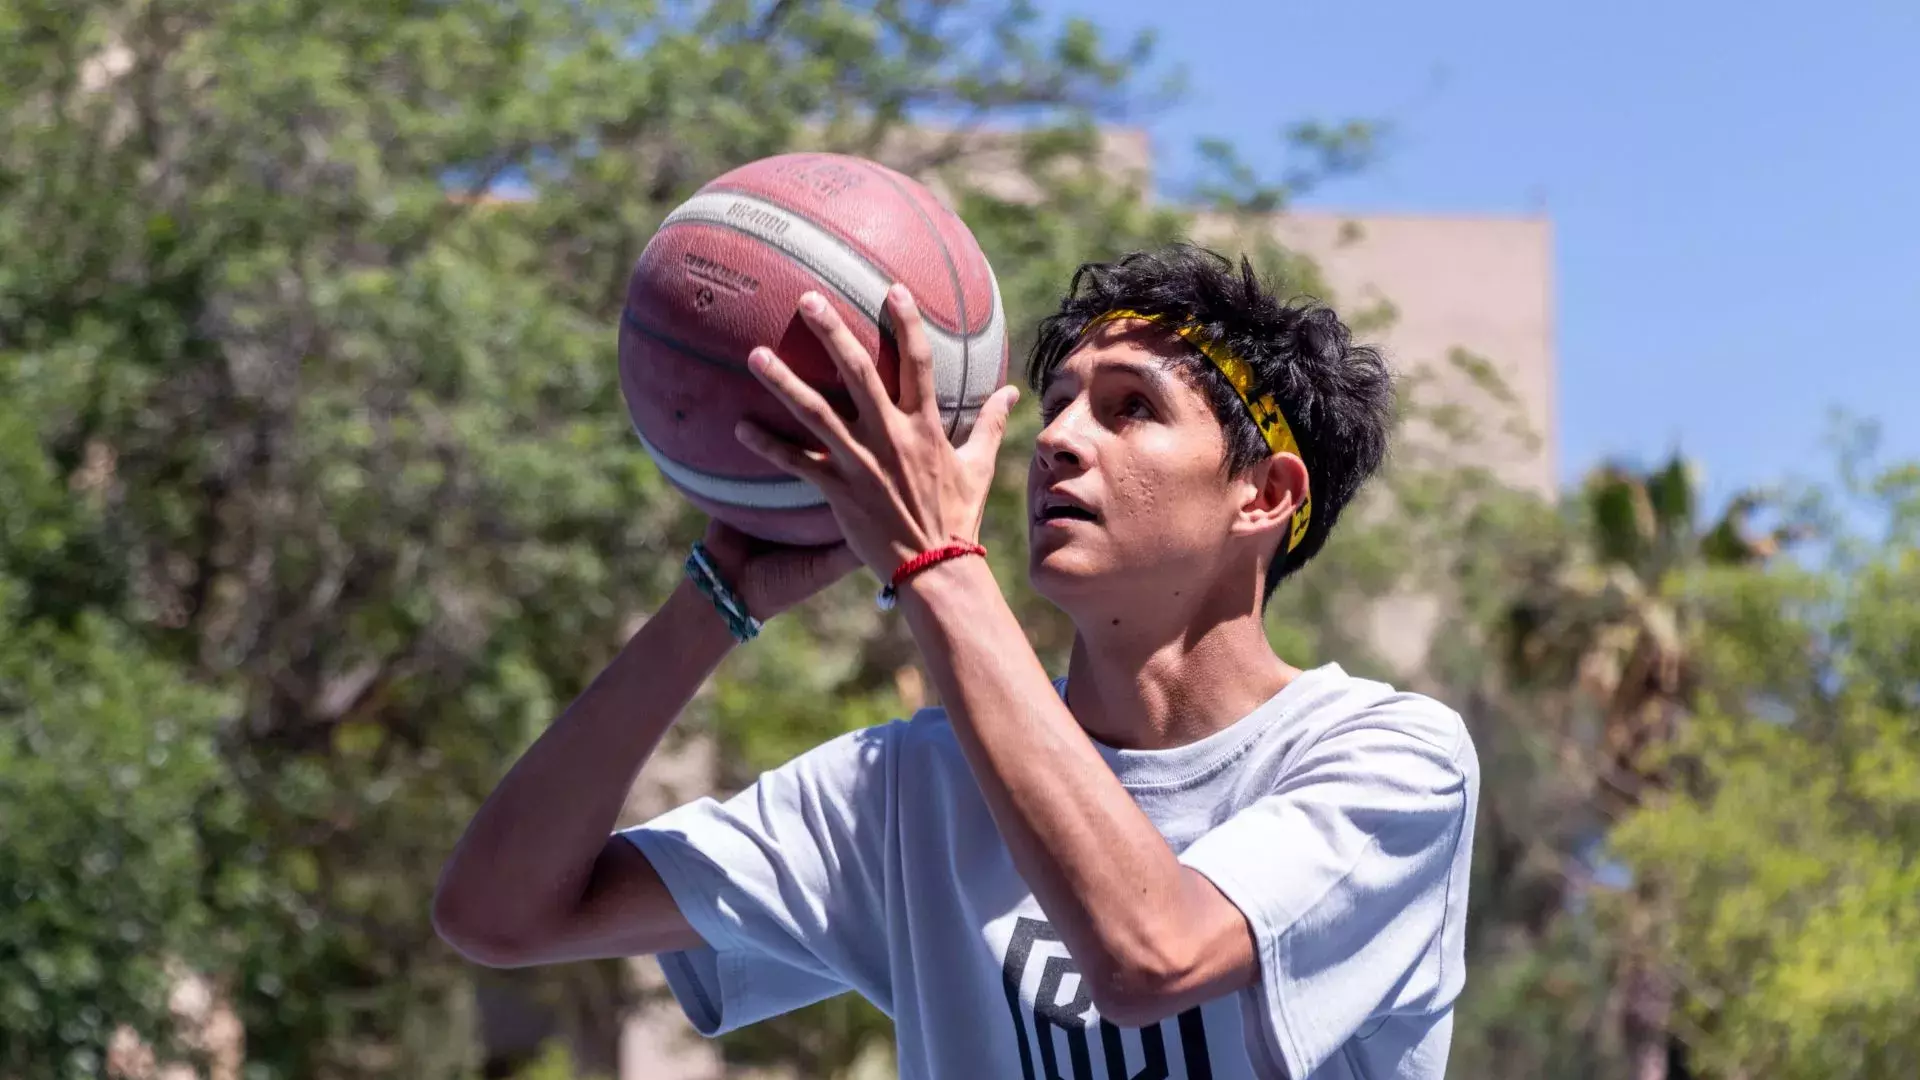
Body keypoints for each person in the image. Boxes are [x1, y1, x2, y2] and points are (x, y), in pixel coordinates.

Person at [433, 244, 1479, 1080]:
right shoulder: (905, 789)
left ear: (1264, 495)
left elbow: (1153, 953)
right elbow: (499, 914)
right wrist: (715, 602)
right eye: (1058, 402)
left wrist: (937, 565)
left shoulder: (1390, 762)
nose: (1061, 439)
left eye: (1131, 408)